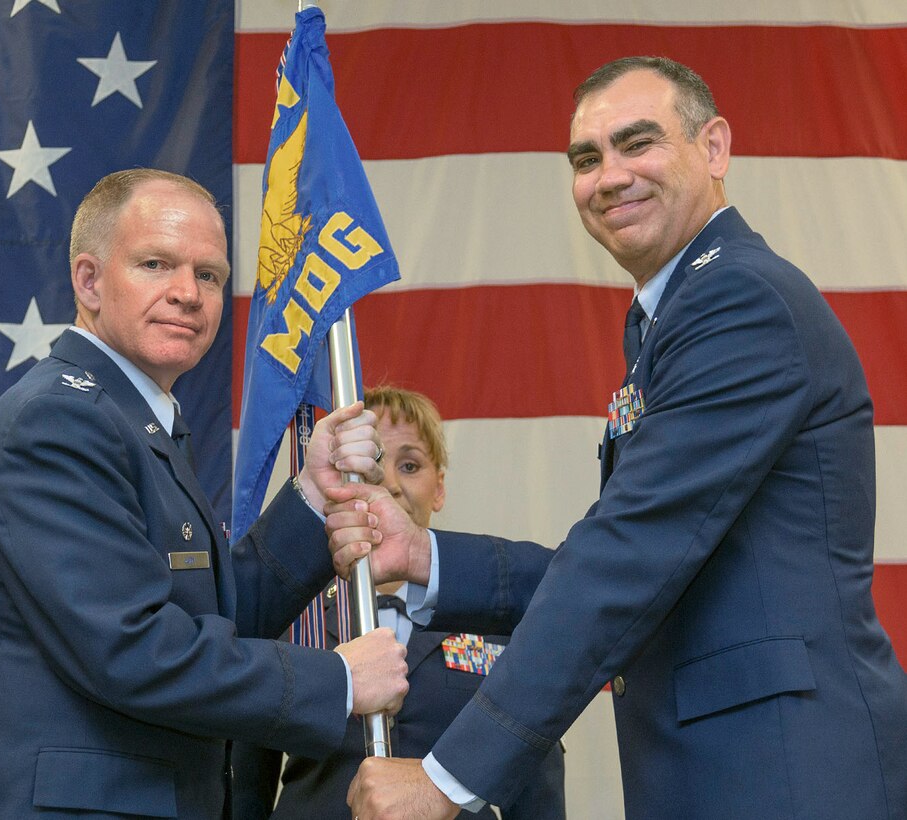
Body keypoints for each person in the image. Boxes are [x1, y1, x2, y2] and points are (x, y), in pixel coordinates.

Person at [325, 58, 907, 820]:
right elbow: (650, 563)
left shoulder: (738, 299)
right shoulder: (675, 313)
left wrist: (446, 778)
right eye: (586, 158)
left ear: (715, 148)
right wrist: (426, 558)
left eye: (638, 144)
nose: (609, 177)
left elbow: (629, 553)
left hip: (784, 774)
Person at [0, 169, 409, 820]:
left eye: (209, 275)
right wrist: (340, 681)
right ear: (89, 281)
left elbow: (207, 619)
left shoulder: (132, 418)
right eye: (156, 264)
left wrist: (311, 496)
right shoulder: (58, 423)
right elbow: (131, 650)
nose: (187, 293)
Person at [230, 386, 566, 819]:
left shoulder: (498, 617)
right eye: (370, 464)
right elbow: (245, 781)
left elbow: (533, 771)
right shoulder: (294, 614)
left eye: (409, 465)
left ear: (439, 488)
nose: (388, 483)